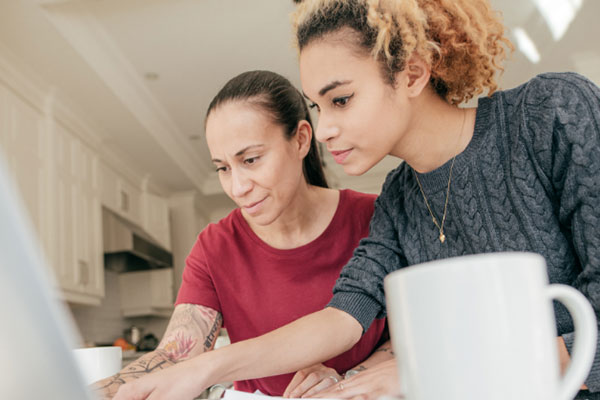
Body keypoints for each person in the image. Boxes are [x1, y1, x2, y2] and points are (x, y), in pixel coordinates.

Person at [113, 0, 600, 399]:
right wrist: (206, 367)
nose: (324, 131)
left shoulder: (550, 115)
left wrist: (419, 372)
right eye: (318, 106)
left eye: (341, 99)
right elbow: (345, 316)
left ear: (411, 74)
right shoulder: (399, 198)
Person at [93, 70, 391, 399]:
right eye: (223, 168)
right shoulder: (215, 247)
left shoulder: (376, 218)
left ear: (301, 139)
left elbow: (413, 336)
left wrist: (347, 378)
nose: (237, 188)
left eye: (250, 160)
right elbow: (176, 354)